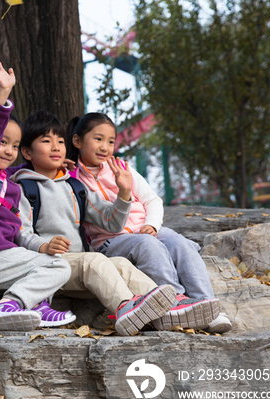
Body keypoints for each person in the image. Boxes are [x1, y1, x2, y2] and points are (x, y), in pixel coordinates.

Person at [14, 110, 179, 336]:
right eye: (46, 141)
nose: (55, 147)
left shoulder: (76, 187)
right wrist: (43, 246)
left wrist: (123, 193)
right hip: (51, 269)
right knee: (94, 260)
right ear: (26, 152)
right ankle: (125, 309)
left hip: (83, 272)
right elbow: (20, 233)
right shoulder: (23, 189)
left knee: (120, 264)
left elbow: (111, 222)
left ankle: (171, 310)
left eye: (60, 141)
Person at [66, 112, 228, 333]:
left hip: (144, 229)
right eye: (98, 139)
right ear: (77, 141)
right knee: (148, 245)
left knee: (180, 243)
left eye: (110, 141)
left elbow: (152, 200)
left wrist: (152, 224)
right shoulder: (72, 178)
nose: (105, 147)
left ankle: (208, 306)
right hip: (111, 241)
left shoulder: (123, 168)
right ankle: (175, 303)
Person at [0, 60, 72, 331]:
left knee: (52, 261)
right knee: (59, 268)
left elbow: (21, 169)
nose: (8, 150)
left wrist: (56, 165)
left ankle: (38, 305)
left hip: (0, 260)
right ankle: (10, 304)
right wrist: (2, 95)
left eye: (15, 145)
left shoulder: (8, 182)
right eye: (2, 142)